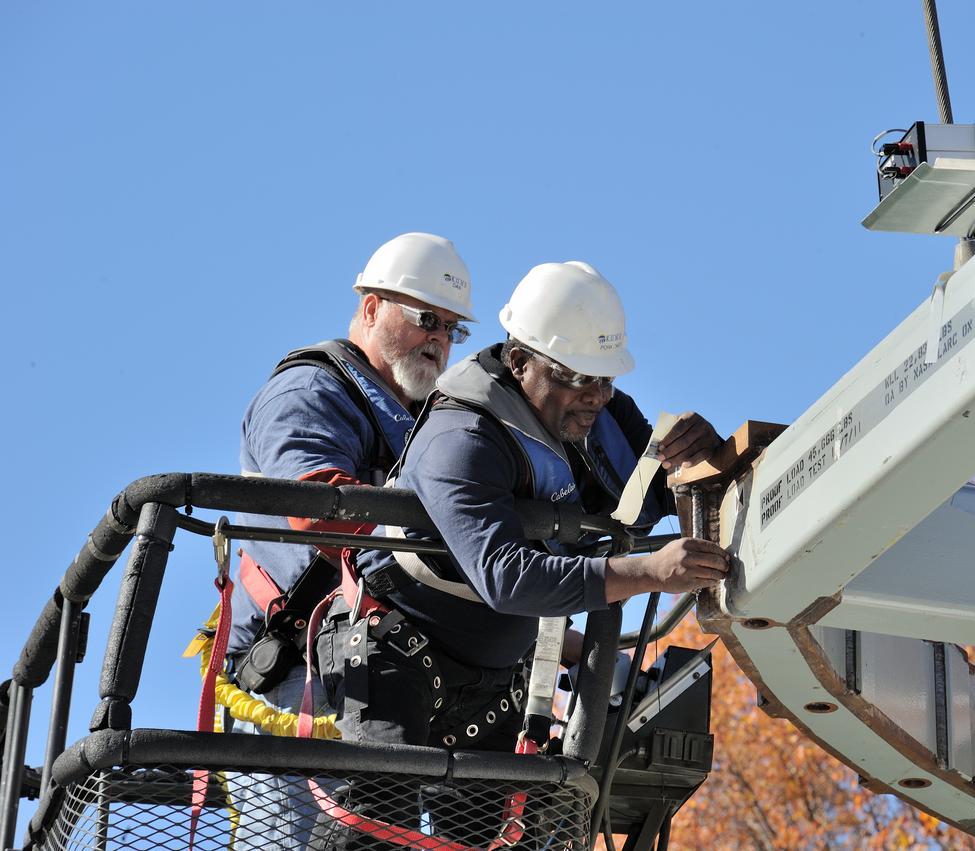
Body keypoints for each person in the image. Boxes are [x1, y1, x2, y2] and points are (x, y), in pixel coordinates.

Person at [316, 259, 731, 762]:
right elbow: (505, 576)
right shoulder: (461, 437)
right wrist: (648, 571)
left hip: (495, 677)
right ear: (518, 362)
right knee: (380, 821)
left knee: (486, 840)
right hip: (396, 654)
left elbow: (655, 492)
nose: (596, 395)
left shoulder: (600, 412)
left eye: (605, 379)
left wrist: (699, 456)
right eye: (577, 377)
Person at [222, 231, 476, 850]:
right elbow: (316, 508)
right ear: (371, 309)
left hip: (387, 672)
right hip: (298, 679)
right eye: (426, 319)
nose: (440, 339)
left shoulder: (425, 422)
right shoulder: (310, 391)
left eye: (453, 329)